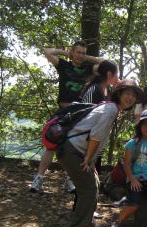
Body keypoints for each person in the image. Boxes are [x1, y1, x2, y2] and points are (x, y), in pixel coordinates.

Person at [58, 79, 144, 227]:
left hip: (74, 150)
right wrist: (88, 159)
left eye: (133, 95)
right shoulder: (110, 110)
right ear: (119, 94)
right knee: (89, 189)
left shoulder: (111, 108)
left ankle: (84, 221)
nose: (130, 98)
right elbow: (96, 136)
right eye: (127, 93)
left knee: (94, 184)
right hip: (73, 151)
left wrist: (89, 158)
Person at [30, 41, 103, 193]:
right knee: (51, 143)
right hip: (63, 110)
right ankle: (38, 179)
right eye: (78, 52)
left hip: (79, 113)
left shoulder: (88, 69)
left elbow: (105, 63)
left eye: (83, 53)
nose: (81, 55)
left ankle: (71, 180)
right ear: (72, 52)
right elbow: (47, 51)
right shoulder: (64, 66)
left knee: (75, 147)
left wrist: (86, 57)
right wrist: (66, 53)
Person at [80, 59, 120, 173]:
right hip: (86, 141)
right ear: (109, 74)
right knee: (83, 172)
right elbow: (85, 116)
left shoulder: (107, 90)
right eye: (116, 74)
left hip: (96, 142)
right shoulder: (93, 89)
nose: (118, 77)